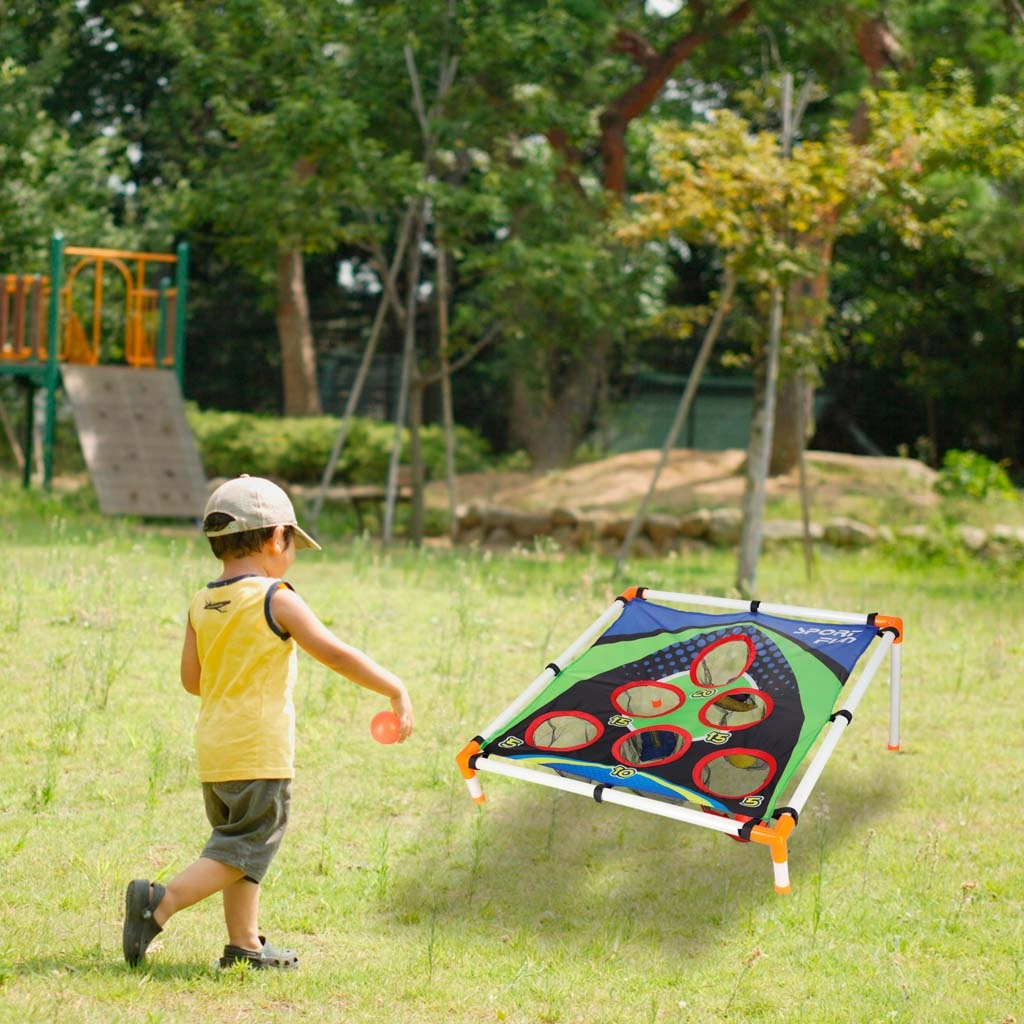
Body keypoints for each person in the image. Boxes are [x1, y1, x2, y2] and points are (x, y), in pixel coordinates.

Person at [123, 475, 413, 970]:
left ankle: (245, 946)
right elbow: (334, 653)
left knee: (237, 849)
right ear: (277, 537)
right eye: (293, 544)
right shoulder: (275, 597)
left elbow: (192, 681)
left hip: (215, 750)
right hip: (259, 750)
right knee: (247, 845)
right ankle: (161, 902)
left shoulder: (201, 602)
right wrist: (394, 687)